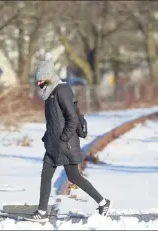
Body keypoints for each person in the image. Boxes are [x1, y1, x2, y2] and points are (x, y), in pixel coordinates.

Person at [24, 53, 112, 222]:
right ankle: (42, 213)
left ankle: (103, 202)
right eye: (38, 81)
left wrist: (63, 138)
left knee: (74, 177)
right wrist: (47, 136)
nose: (39, 84)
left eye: (41, 80)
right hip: (53, 144)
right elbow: (55, 121)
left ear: (50, 77)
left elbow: (72, 118)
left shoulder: (62, 90)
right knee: (45, 175)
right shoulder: (49, 94)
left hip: (66, 145)